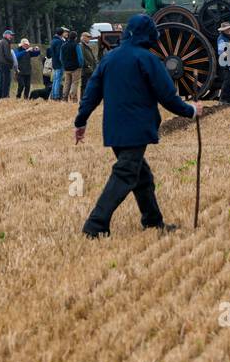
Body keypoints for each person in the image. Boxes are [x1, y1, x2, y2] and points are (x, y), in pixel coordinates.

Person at [74, 13, 196, 238]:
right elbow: (167, 96)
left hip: (113, 128)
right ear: (149, 35)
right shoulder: (147, 59)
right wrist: (191, 111)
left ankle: (152, 221)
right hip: (137, 127)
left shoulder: (109, 58)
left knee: (142, 177)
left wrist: (81, 121)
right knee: (125, 174)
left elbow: (92, 92)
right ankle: (95, 225)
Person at [0, 30, 16, 100]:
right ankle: (5, 96)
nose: (11, 36)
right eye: (10, 35)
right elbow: (7, 55)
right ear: (6, 35)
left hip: (1, 64)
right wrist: (12, 61)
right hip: (5, 64)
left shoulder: (0, 42)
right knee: (6, 81)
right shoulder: (6, 42)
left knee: (1, 80)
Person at [47, 28, 68, 100]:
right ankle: (56, 96)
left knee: (55, 80)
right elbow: (60, 53)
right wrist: (63, 62)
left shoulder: (53, 41)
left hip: (54, 62)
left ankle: (53, 95)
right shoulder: (59, 42)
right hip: (59, 63)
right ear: (62, 34)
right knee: (58, 80)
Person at [80, 31, 99, 99]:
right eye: (88, 37)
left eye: (89, 37)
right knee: (85, 84)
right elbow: (82, 58)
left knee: (88, 84)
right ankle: (83, 98)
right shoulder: (81, 46)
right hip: (86, 69)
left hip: (90, 69)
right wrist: (88, 66)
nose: (89, 39)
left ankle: (87, 97)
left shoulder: (86, 46)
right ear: (83, 38)